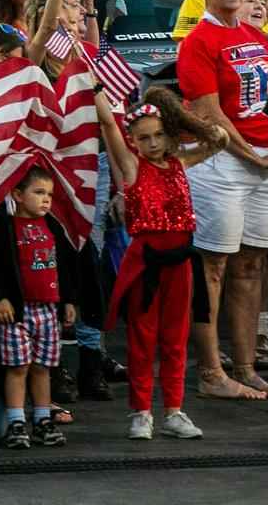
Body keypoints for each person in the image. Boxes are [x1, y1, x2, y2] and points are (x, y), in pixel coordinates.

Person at [176, 0, 268, 401]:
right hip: (221, 163)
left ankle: (244, 367)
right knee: (213, 267)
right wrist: (254, 156)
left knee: (252, 264)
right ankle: (209, 372)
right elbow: (208, 113)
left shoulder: (255, 36)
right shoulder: (198, 41)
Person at [94, 86, 226, 440]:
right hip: (146, 264)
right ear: (133, 141)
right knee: (143, 337)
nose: (152, 144)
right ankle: (141, 411)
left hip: (180, 263)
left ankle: (173, 410)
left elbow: (220, 139)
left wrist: (183, 118)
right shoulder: (131, 168)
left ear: (169, 135)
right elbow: (108, 126)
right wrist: (93, 89)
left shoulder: (180, 163)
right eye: (144, 138)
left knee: (174, 338)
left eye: (159, 135)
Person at [0, 166, 78, 449]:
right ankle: (16, 421)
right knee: (18, 366)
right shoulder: (4, 228)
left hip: (48, 310)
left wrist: (68, 300)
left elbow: (65, 266)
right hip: (18, 313)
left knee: (42, 367)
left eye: (49, 194)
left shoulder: (54, 227)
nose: (46, 200)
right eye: (38, 193)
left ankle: (43, 419)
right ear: (18, 195)